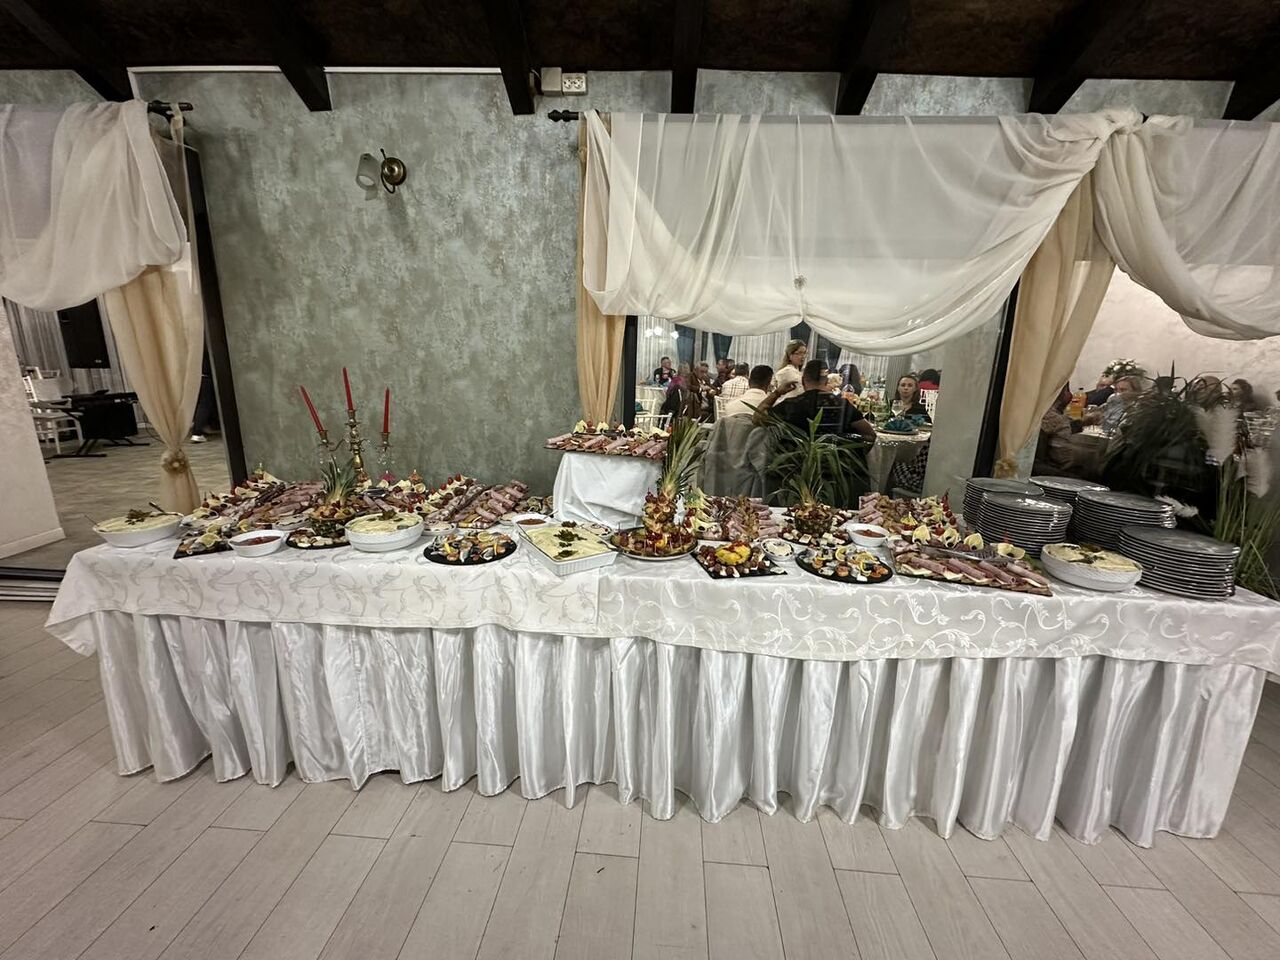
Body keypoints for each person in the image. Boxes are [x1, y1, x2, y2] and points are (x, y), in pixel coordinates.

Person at [755, 359, 876, 440]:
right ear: (826, 381)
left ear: (803, 380)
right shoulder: (842, 405)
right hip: (835, 468)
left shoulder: (791, 405)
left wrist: (777, 393)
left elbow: (757, 418)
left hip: (796, 467)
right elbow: (870, 435)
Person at [1034, 385, 1083, 476]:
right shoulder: (1058, 421)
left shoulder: (1030, 410)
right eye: (1067, 390)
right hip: (1042, 472)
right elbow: (1063, 459)